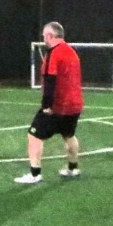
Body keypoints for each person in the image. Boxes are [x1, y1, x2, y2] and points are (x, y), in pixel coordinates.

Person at [14, 22, 83, 184]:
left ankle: (35, 174)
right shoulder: (72, 52)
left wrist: (46, 105)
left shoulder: (54, 53)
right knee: (69, 135)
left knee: (34, 136)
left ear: (50, 36)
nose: (43, 38)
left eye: (44, 35)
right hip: (75, 104)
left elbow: (50, 80)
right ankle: (73, 169)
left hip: (58, 106)